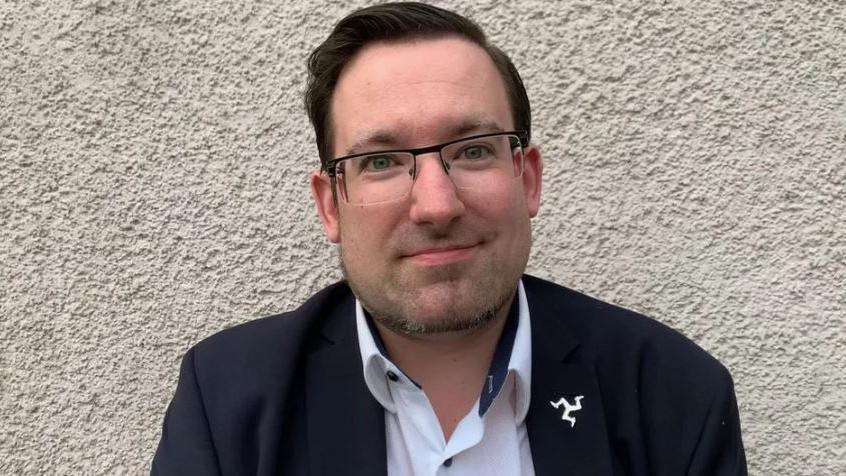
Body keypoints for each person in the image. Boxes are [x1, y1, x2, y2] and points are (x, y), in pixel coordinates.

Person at [151, 3, 747, 475]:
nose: (436, 205)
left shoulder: (675, 396)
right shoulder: (228, 403)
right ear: (331, 204)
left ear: (527, 179)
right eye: (381, 161)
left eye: (472, 150)